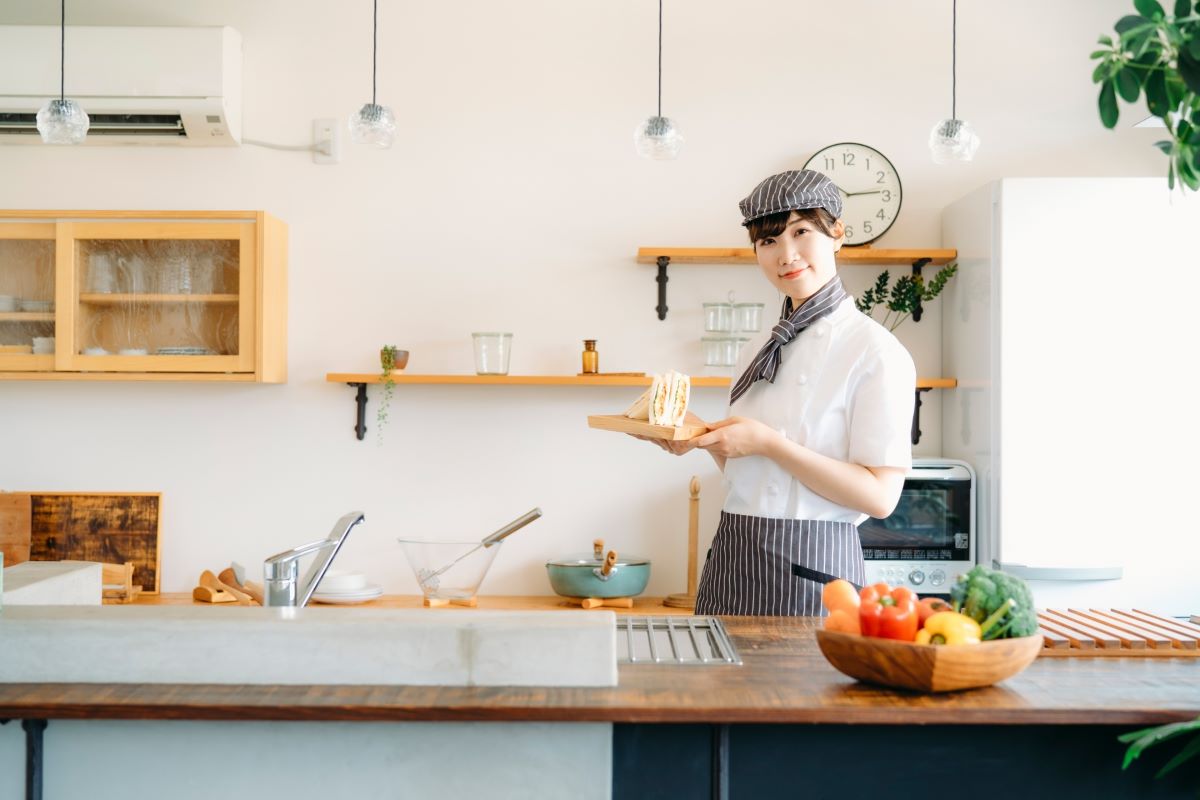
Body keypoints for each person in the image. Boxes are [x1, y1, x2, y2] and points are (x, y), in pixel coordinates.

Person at [641, 169, 916, 615]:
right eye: (768, 241)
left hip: (816, 575)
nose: (785, 254)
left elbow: (880, 498)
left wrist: (770, 443)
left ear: (838, 234)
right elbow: (754, 475)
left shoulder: (875, 352)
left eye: (801, 232)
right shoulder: (759, 347)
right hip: (733, 557)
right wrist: (699, 439)